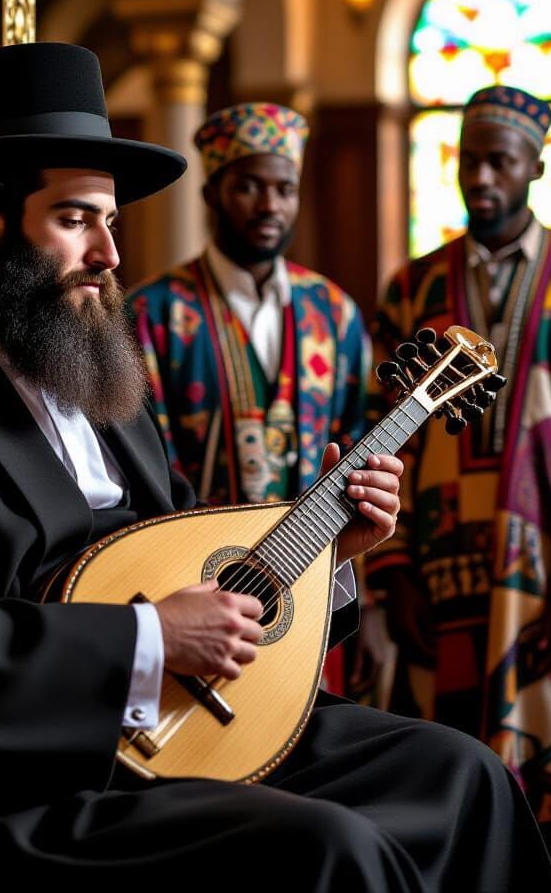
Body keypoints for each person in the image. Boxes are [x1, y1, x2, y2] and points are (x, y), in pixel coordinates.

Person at [0, 45, 551, 893]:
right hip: (14, 784)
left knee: (463, 777)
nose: (109, 253)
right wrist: (147, 638)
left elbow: (180, 557)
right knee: (329, 848)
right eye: (75, 220)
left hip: (185, 728)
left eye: (110, 222)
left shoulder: (99, 376)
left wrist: (329, 555)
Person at [367, 84, 551, 892]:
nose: (483, 178)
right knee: (446, 777)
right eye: (470, 161)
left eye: (501, 161)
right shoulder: (413, 291)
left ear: (539, 166)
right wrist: (391, 577)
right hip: (441, 587)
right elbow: (377, 435)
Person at [128, 103, 388, 695]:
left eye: (284, 188)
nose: (270, 205)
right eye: (248, 186)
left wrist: (364, 602)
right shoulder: (154, 314)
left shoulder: (336, 313)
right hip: (194, 590)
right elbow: (144, 470)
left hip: (313, 590)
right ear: (212, 191)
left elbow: (358, 463)